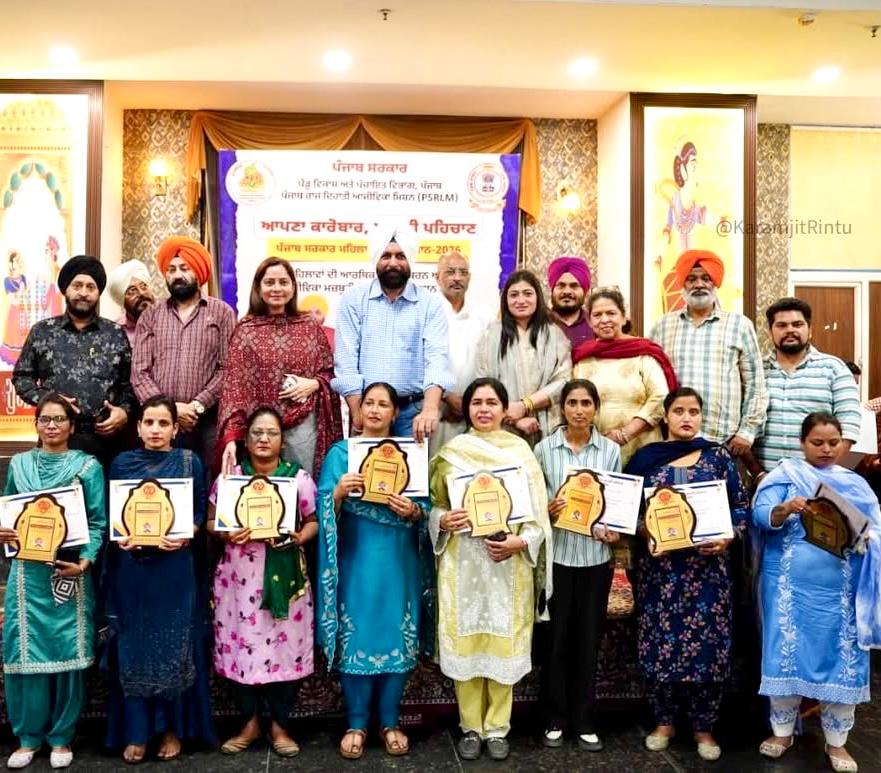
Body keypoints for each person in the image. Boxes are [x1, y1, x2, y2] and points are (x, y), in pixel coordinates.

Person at [429, 377, 552, 761]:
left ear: (503, 409)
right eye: (477, 402)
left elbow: (537, 516)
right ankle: (471, 727)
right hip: (463, 563)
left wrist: (522, 542)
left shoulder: (521, 453)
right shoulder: (451, 454)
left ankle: (498, 728)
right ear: (467, 409)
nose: (484, 409)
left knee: (503, 641)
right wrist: (442, 519)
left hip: (508, 566)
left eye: (491, 402)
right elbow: (434, 505)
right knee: (467, 640)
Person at [625, 387, 749, 762]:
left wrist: (728, 537)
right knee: (659, 642)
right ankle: (663, 722)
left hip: (708, 573)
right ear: (665, 416)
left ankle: (703, 727)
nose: (686, 418)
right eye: (679, 410)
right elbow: (628, 511)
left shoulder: (718, 458)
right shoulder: (646, 459)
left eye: (693, 411)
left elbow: (740, 507)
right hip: (660, 573)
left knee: (707, 647)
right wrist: (646, 531)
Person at [753, 412, 881, 773]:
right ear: (802, 443)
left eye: (833, 443)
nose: (826, 449)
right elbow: (760, 517)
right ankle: (782, 733)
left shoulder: (855, 484)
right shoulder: (783, 477)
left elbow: (875, 530)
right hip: (788, 591)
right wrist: (785, 508)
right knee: (785, 655)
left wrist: (867, 538)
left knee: (843, 659)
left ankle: (837, 742)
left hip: (841, 594)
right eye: (817, 442)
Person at [316, 382, 432, 760]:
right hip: (357, 558)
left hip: (399, 560)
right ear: (358, 408)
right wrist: (337, 494)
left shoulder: (411, 454)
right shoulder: (341, 454)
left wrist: (413, 511)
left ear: (396, 413)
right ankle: (356, 723)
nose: (375, 410)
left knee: (397, 633)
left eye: (384, 404)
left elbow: (426, 508)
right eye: (369, 403)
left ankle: (390, 721)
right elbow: (321, 509)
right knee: (358, 635)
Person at [103, 396, 215, 763]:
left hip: (174, 568)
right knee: (133, 648)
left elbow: (197, 514)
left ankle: (171, 729)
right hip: (133, 567)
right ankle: (136, 732)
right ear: (137, 428)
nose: (155, 430)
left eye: (163, 423)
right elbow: (115, 515)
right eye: (148, 422)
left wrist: (186, 534)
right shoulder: (122, 463)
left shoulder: (188, 462)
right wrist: (121, 537)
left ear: (175, 429)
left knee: (174, 646)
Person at [0, 393, 106, 770]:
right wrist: (5, 532)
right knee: (25, 651)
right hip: (27, 575)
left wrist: (85, 562)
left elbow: (97, 522)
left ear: (72, 426)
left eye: (59, 419)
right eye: (45, 419)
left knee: (66, 653)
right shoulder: (19, 465)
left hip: (69, 572)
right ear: (36, 424)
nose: (52, 425)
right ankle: (28, 737)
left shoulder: (87, 467)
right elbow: (8, 511)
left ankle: (62, 736)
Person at [209, 407, 317, 758]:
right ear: (245, 439)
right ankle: (250, 723)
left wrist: (299, 537)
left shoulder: (297, 479)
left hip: (285, 577)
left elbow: (313, 521)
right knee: (241, 649)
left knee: (284, 650)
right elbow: (210, 521)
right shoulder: (231, 480)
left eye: (271, 433)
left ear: (282, 441)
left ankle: (280, 725)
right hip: (238, 582)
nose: (264, 439)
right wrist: (225, 533)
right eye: (257, 432)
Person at [534, 378, 619, 752]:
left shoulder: (610, 451)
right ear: (562, 408)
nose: (579, 410)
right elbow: (533, 501)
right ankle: (554, 718)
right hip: (557, 558)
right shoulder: (543, 449)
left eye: (586, 403)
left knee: (588, 640)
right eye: (572, 403)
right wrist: (546, 509)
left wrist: (614, 529)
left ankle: (584, 720)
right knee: (555, 640)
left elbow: (615, 505)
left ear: (596, 408)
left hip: (595, 559)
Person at [217, 257, 341, 478]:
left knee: (303, 487)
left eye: (283, 282)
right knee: (262, 491)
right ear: (258, 288)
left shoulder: (309, 328)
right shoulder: (245, 330)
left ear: (293, 288)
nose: (276, 288)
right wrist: (232, 436)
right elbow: (234, 388)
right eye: (269, 282)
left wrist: (314, 383)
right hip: (259, 431)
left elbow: (330, 372)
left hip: (303, 428)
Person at [332, 223, 453, 441]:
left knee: (411, 465)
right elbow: (346, 359)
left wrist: (430, 408)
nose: (393, 263)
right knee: (365, 464)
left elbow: (436, 358)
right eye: (386, 256)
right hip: (368, 412)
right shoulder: (354, 299)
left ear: (410, 260)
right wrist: (357, 411)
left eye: (401, 256)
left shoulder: (430, 304)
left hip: (413, 414)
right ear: (376, 260)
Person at [12, 255, 136, 467]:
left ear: (98, 293)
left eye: (91, 287)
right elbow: (22, 378)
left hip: (106, 441)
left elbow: (130, 384)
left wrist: (124, 411)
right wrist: (50, 400)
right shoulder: (42, 332)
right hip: (56, 440)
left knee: (101, 489)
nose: (84, 293)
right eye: (77, 285)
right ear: (65, 289)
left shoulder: (115, 333)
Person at [131, 236, 236, 474]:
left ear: (198, 271)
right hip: (159, 425)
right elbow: (139, 372)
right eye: (171, 270)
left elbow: (228, 368)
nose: (177, 275)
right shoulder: (150, 315)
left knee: (205, 482)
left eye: (185, 268)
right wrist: (169, 410)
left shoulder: (222, 313)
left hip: (205, 421)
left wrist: (196, 406)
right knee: (160, 483)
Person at [649, 250, 767, 456]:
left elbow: (755, 384)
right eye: (691, 279)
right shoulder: (662, 326)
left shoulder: (739, 325)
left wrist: (747, 431)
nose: (699, 284)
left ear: (715, 283)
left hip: (723, 441)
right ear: (683, 284)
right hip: (672, 441)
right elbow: (650, 380)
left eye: (706, 278)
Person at [753, 297, 861, 473]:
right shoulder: (756, 370)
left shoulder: (834, 369)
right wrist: (759, 475)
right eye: (781, 325)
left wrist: (821, 477)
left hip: (817, 480)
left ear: (810, 330)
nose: (790, 330)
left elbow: (848, 429)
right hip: (766, 480)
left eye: (797, 324)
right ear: (770, 332)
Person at [572, 288, 676, 466]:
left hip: (643, 448)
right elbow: (573, 401)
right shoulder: (583, 358)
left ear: (623, 317)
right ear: (590, 321)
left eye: (611, 313)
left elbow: (661, 397)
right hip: (597, 449)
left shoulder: (643, 354)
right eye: (597, 315)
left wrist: (625, 434)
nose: (604, 320)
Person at [475, 270, 570, 446]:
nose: (520, 300)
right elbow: (483, 383)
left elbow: (563, 380)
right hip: (503, 426)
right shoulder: (491, 336)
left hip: (547, 426)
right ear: (505, 300)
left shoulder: (554, 335)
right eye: (514, 295)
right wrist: (513, 417)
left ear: (538, 297)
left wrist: (526, 405)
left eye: (527, 294)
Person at [430, 250, 487, 454]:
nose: (457, 278)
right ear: (437, 277)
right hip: (433, 409)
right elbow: (414, 360)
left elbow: (488, 365)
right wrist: (446, 396)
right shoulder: (426, 311)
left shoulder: (484, 316)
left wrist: (469, 402)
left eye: (463, 272)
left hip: (474, 412)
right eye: (450, 272)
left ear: (469, 278)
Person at [547, 256, 594, 349]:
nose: (567, 291)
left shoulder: (595, 324)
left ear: (585, 291)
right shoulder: (539, 323)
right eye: (561, 285)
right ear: (552, 290)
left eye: (574, 286)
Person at [106, 259, 155, 345]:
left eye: (143, 286)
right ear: (121, 300)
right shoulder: (114, 331)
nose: (141, 293)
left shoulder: (169, 321)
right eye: (132, 291)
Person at [1, 251, 28, 365]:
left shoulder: (23, 278)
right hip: (14, 313)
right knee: (14, 336)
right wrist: (20, 292)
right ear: (11, 263)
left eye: (19, 260)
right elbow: (12, 300)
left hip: (23, 311)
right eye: (17, 260)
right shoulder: (7, 280)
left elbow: (26, 296)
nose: (19, 262)